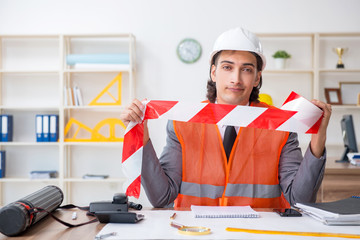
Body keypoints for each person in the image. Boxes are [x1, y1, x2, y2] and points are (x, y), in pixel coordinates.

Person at [120, 27, 332, 208]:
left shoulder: (280, 126)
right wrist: (142, 134)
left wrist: (318, 139)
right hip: (197, 234)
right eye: (227, 67)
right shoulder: (182, 123)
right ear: (213, 73)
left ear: (258, 77)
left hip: (259, 234)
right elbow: (161, 197)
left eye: (246, 70)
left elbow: (300, 200)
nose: (236, 79)